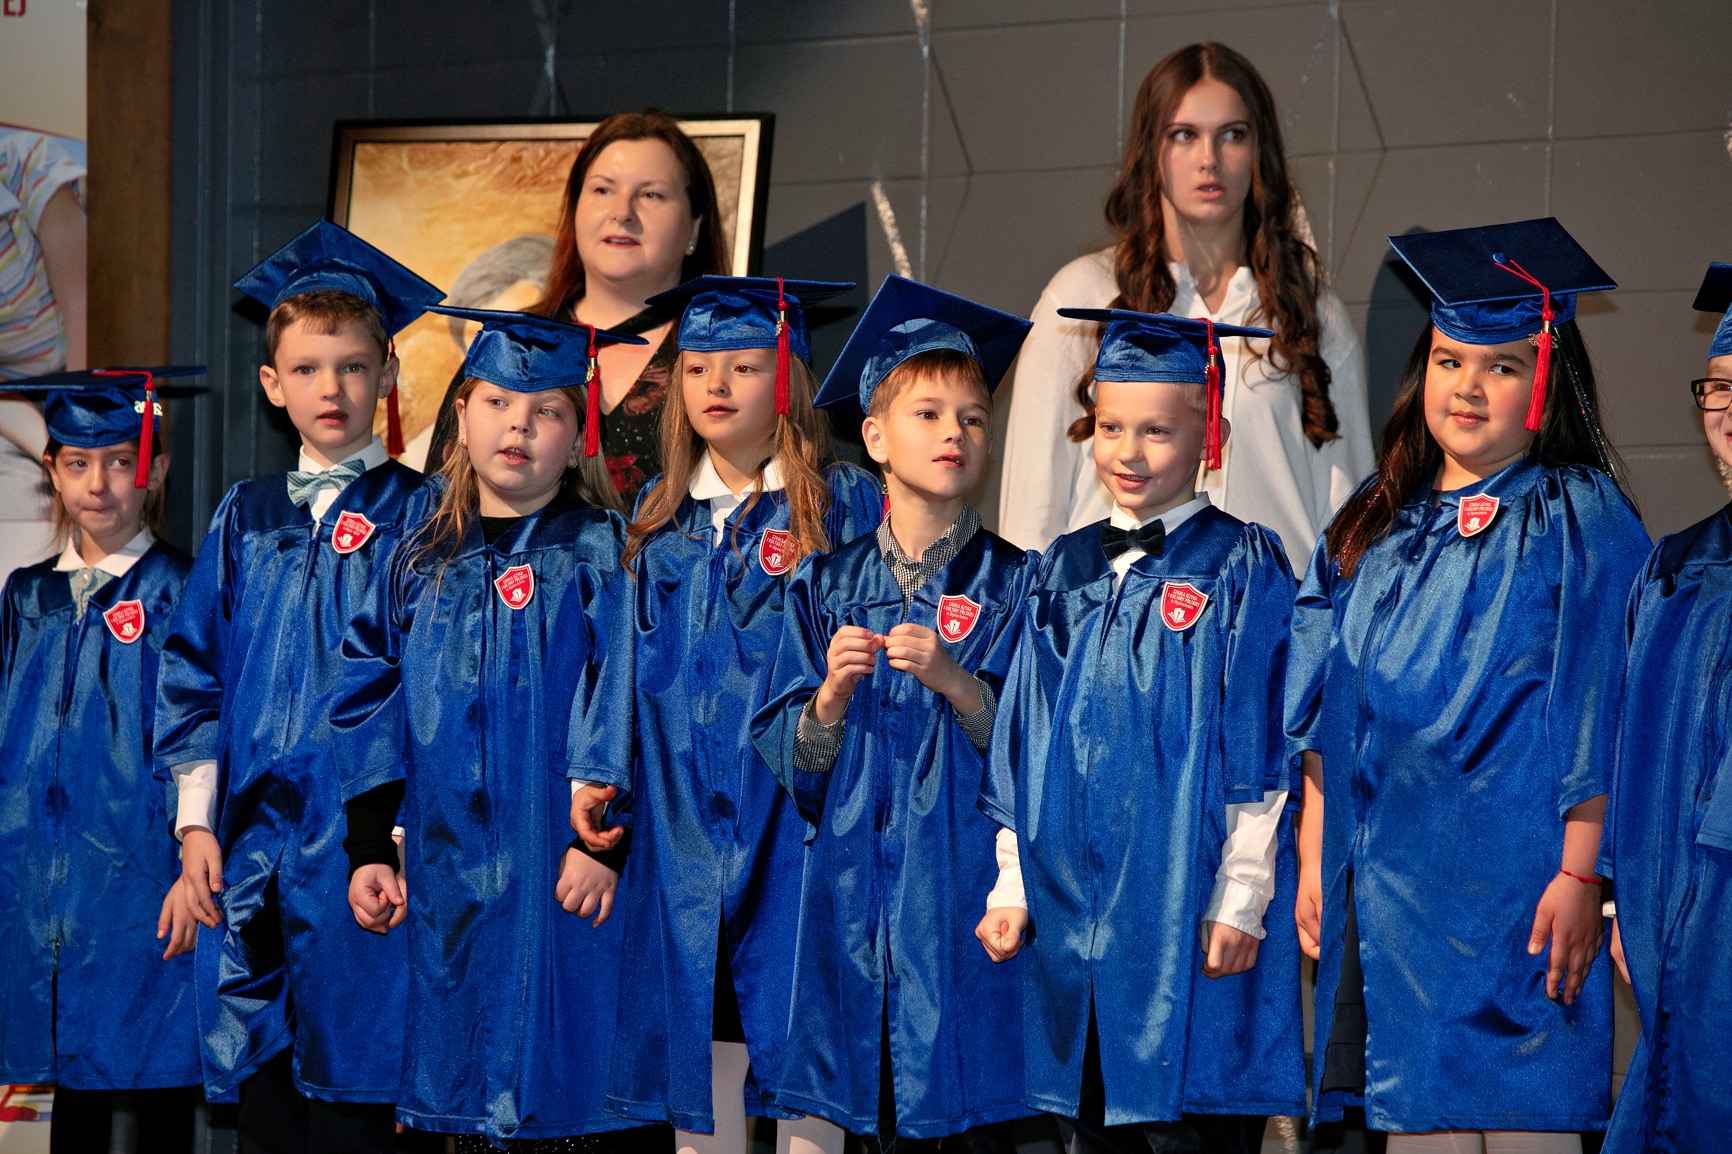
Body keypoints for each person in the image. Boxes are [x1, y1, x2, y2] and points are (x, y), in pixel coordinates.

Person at [1286, 219, 1651, 1153]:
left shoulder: (1579, 515)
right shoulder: (1374, 520)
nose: (1469, 387)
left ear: (1545, 385)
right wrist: (1318, 849)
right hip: (1393, 890)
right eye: (1450, 362)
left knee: (1526, 1119)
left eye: (1502, 366)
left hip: (1524, 886)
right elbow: (1326, 697)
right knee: (1419, 1122)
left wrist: (1583, 874)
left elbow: (1605, 709)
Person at [980, 310, 1305, 1154]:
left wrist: (1242, 893)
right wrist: (1013, 887)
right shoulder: (1060, 567)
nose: (1128, 452)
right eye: (1111, 426)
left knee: (1187, 1126)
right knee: (1085, 1123)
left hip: (1184, 904)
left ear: (1209, 435)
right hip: (1071, 916)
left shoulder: (1241, 563)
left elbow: (1262, 745)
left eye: (1157, 431)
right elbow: (1023, 740)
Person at [571, 276, 880, 1154]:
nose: (716, 384)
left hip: (800, 817)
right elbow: (622, 659)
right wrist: (599, 769)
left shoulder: (840, 501)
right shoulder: (661, 515)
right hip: (682, 823)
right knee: (701, 1040)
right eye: (698, 366)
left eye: (744, 366)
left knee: (805, 1032)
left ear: (788, 378)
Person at [152, 221, 443, 1153]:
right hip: (250, 845)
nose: (332, 387)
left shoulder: (425, 514)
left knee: (357, 1087)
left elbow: (434, 691)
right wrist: (195, 824)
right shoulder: (247, 514)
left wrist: (397, 834)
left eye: (353, 367)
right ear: (273, 384)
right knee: (265, 1092)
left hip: (357, 840)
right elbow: (192, 669)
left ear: (388, 374)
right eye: (309, 368)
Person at [333, 307, 644, 1151]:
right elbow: (368, 698)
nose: (520, 426)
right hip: (441, 864)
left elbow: (622, 700)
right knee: (458, 1085)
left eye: (547, 411)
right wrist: (370, 843)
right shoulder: (415, 555)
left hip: (561, 865)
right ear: (461, 416)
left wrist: (602, 842)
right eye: (499, 403)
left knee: (566, 1091)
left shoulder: (602, 553)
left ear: (578, 439)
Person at [750, 276, 1035, 1145]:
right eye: (929, 414)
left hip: (962, 894)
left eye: (974, 418)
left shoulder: (1017, 583)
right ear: (873, 437)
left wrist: (957, 682)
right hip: (847, 900)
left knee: (963, 1108)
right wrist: (829, 697)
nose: (955, 433)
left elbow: (1041, 748)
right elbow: (794, 769)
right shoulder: (824, 584)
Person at [997, 42, 1371, 565]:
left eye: (1232, 135)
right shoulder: (1080, 297)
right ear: (1151, 149)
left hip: (1268, 606)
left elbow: (1348, 513)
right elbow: (1031, 512)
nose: (1209, 159)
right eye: (1184, 135)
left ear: (1259, 151)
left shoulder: (1311, 309)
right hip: (1110, 606)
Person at [0, 370, 202, 1154]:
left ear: (154, 470)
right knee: (68, 1075)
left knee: (159, 1069)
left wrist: (190, 863)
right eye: (79, 463)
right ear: (52, 470)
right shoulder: (26, 597)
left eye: (121, 462)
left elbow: (203, 734)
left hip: (146, 871)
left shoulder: (180, 589)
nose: (99, 484)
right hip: (45, 878)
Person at [425, 110, 731, 503]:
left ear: (694, 227)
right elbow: (443, 505)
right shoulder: (509, 343)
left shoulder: (728, 354)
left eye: (651, 194)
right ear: (574, 210)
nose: (622, 213)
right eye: (603, 190)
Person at [1597, 262, 1732, 1154]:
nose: (1729, 408)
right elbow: (1631, 745)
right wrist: (1620, 898)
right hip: (1670, 919)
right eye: (1719, 386)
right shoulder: (1677, 567)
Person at [0, 131, 88, 587]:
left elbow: (83, 305)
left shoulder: (25, 165)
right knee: (24, 508)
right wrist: (48, 450)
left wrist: (78, 432)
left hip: (83, 372)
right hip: (10, 404)